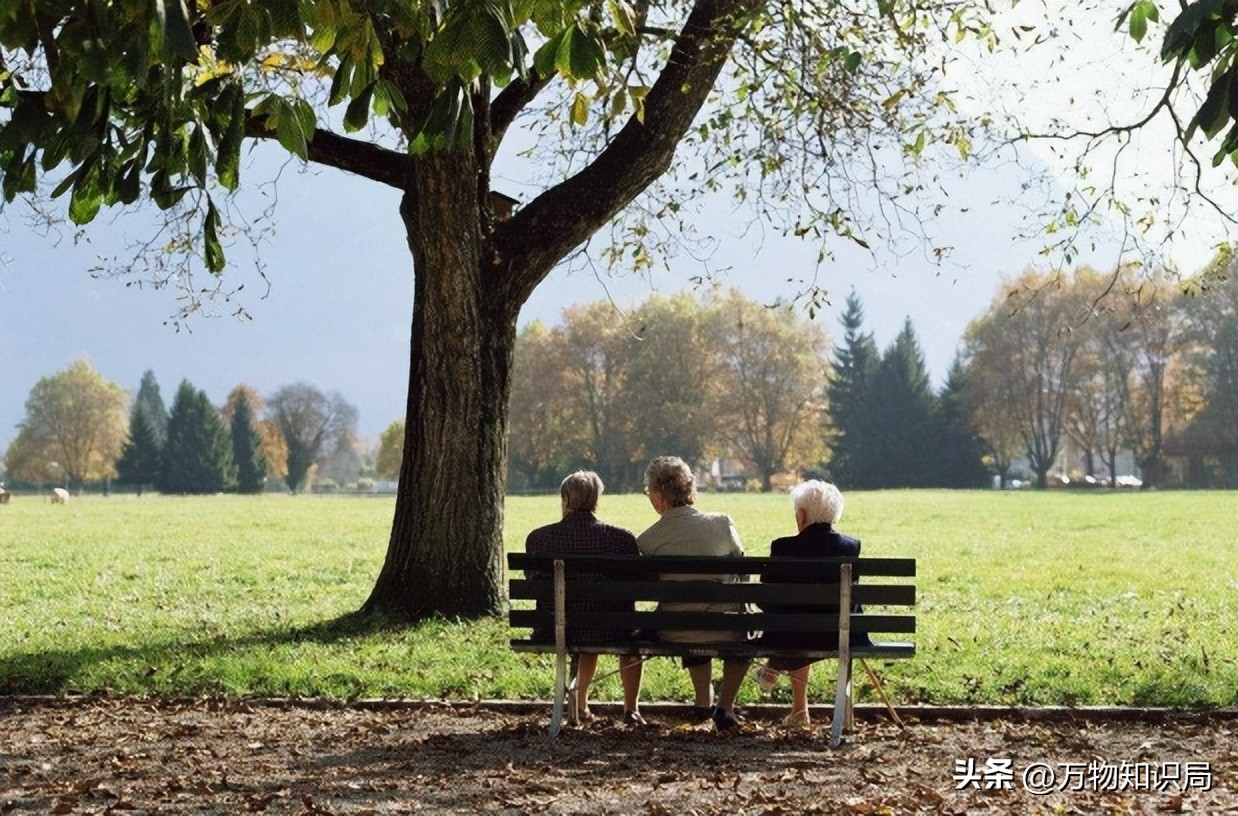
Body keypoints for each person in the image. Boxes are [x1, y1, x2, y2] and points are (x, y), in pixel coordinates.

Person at [636, 455, 751, 732]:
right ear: (690, 489)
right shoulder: (722, 524)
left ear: (659, 497)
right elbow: (742, 571)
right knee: (741, 627)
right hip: (726, 629)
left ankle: (702, 706)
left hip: (674, 630)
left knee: (685, 613)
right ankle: (723, 707)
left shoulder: (647, 540)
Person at [525, 471, 646, 725]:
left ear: (566, 499)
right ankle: (631, 710)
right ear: (596, 500)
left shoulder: (539, 539)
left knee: (583, 624)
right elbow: (635, 585)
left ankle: (580, 708)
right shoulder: (621, 539)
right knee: (625, 629)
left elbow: (532, 580)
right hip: (611, 630)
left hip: (554, 628)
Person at [755, 480, 869, 727]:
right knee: (827, 612)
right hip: (840, 634)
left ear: (801, 515)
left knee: (794, 619)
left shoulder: (783, 547)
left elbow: (765, 598)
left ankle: (781, 680)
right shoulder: (851, 546)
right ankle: (798, 708)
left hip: (791, 635)